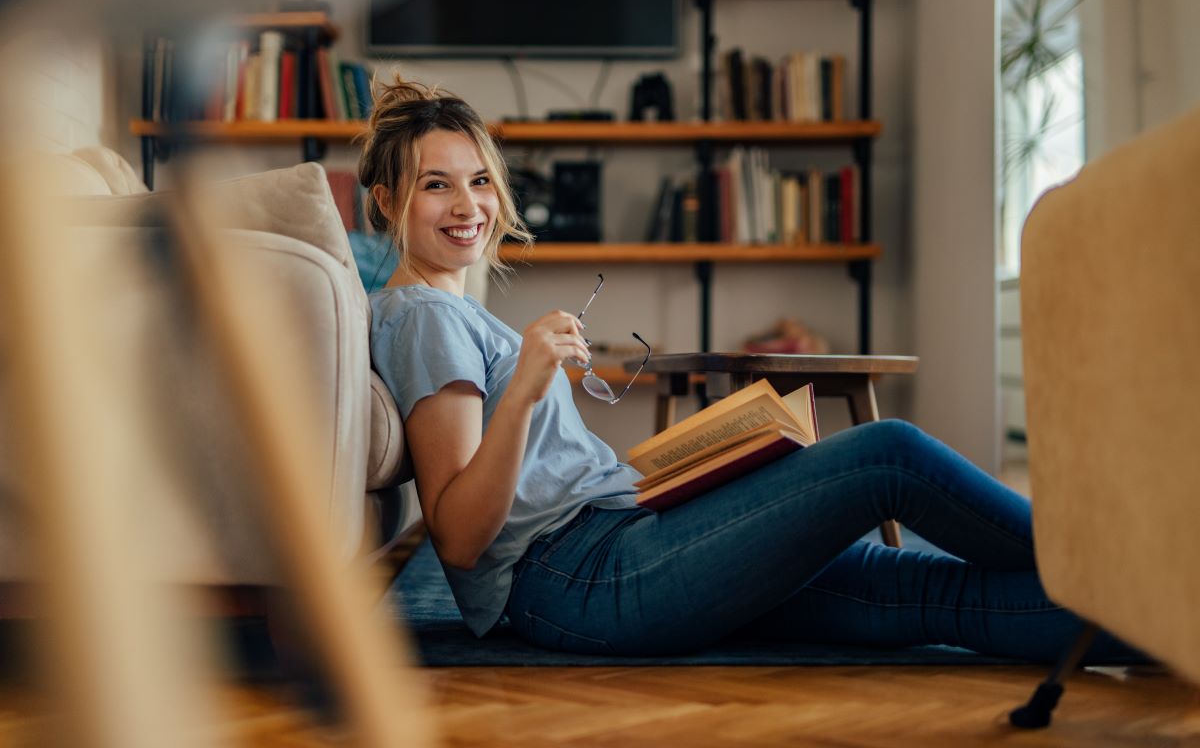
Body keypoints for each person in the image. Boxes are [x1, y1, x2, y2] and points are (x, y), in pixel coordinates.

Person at [362, 77, 1132, 662]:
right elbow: (459, 539)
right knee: (886, 455)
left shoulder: (452, 313)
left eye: (479, 179)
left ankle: (1157, 622)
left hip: (619, 539)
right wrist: (526, 390)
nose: (468, 204)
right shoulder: (425, 319)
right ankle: (1128, 569)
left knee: (912, 589)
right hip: (582, 577)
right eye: (436, 184)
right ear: (387, 199)